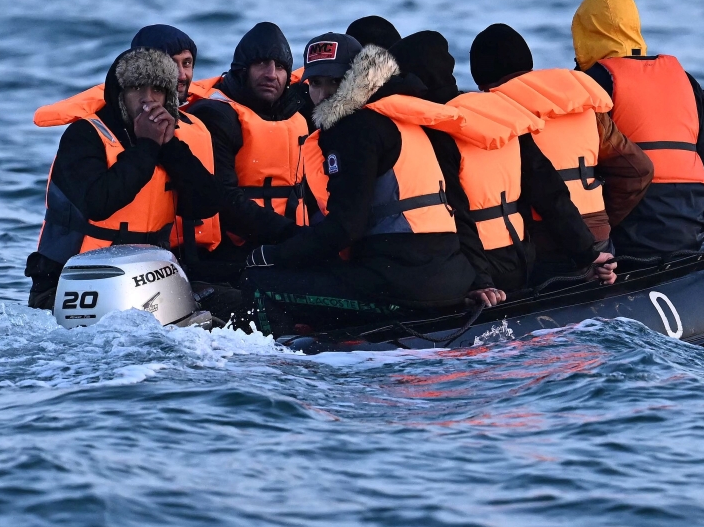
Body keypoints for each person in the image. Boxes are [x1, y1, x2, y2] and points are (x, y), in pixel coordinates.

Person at [239, 44, 503, 337]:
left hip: (399, 287)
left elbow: (345, 228)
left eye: (336, 82)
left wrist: (275, 254)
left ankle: (280, 367)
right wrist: (480, 279)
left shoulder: (352, 129)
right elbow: (458, 209)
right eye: (315, 83)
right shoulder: (403, 117)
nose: (325, 94)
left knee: (259, 282)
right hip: (451, 279)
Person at [390, 31, 618, 293]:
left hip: (485, 271)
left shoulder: (434, 131)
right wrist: (588, 254)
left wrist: (481, 282)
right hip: (524, 259)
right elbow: (550, 191)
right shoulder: (502, 114)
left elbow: (457, 215)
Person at [25, 48, 221, 309]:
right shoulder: (84, 135)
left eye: (158, 91)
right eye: (137, 89)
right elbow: (99, 203)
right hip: (71, 282)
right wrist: (147, 147)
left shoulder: (168, 141)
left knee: (236, 306)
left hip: (148, 280)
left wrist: (170, 147)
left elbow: (206, 204)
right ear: (120, 95)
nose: (148, 101)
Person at [469, 23, 651, 282]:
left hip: (543, 245)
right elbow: (638, 171)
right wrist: (600, 222)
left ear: (482, 81)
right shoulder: (582, 100)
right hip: (598, 239)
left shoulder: (493, 110)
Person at [572, 0, 704, 256]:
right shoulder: (683, 79)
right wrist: (703, 212)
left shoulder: (593, 85)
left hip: (626, 236)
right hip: (691, 225)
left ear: (583, 34)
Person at [185, 22, 309, 274]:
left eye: (281, 67)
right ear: (242, 70)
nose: (271, 73)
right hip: (231, 251)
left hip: (289, 243)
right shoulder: (216, 116)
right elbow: (225, 200)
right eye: (261, 63)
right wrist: (295, 237)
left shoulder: (298, 113)